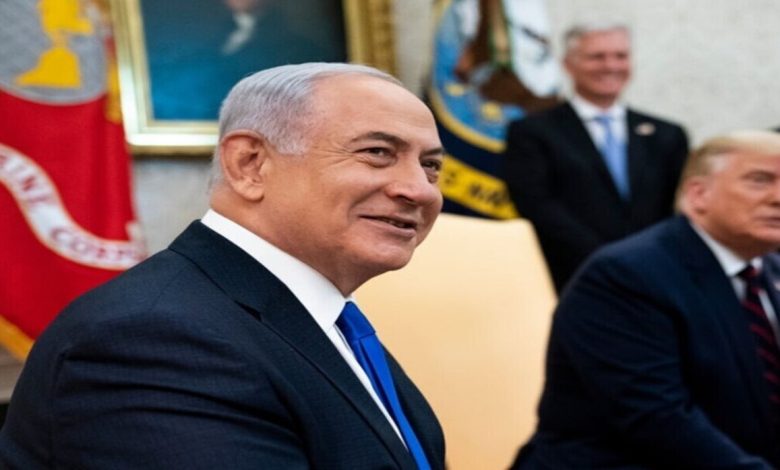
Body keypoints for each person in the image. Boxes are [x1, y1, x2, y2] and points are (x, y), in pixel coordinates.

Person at [0, 63, 446, 469]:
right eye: (377, 153)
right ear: (250, 165)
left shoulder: (324, 323)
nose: (420, 190)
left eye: (430, 166)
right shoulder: (156, 339)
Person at [513, 130, 780, 468]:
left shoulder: (767, 269)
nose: (777, 197)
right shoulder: (626, 275)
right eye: (760, 180)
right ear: (698, 194)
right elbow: (658, 420)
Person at [501, 21, 689, 292]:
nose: (610, 66)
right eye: (597, 57)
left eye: (620, 56)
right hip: (571, 276)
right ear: (568, 65)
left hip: (654, 273)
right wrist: (607, 258)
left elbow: (680, 206)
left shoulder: (667, 134)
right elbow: (536, 204)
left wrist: (648, 257)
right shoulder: (532, 131)